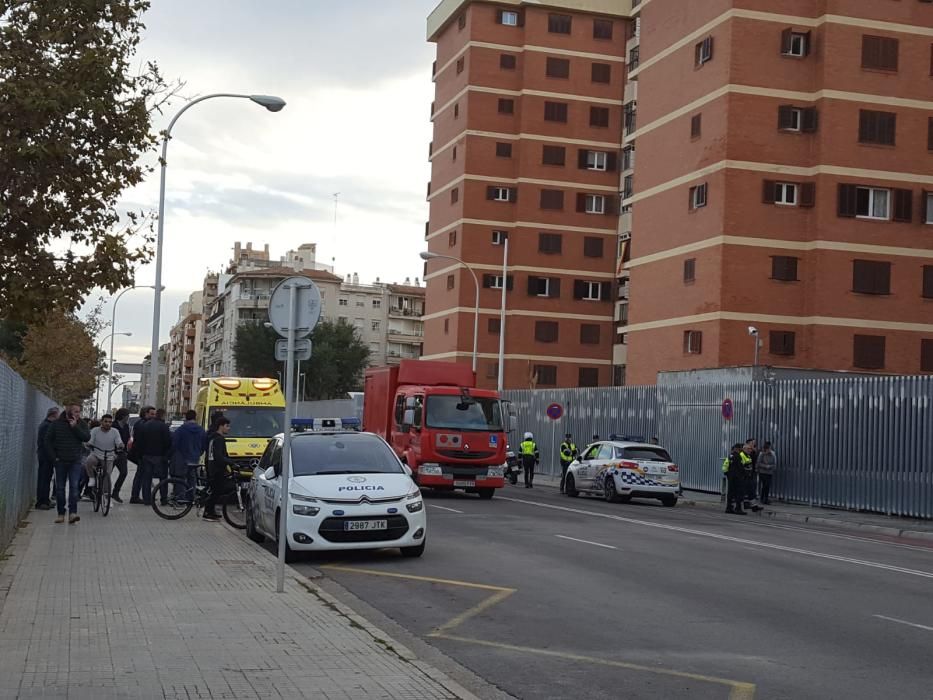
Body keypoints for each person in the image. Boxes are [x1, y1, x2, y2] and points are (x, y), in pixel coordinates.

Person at [44, 405, 91, 524]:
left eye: (79, 412)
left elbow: (86, 438)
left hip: (75, 460)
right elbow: (47, 440)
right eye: (75, 412)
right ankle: (61, 513)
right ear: (68, 412)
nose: (78, 414)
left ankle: (72, 513)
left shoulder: (81, 424)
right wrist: (54, 458)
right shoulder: (56, 424)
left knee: (74, 487)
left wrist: (75, 427)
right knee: (60, 488)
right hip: (60, 461)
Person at [134, 407, 172, 506]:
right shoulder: (164, 426)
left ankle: (147, 499)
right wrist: (166, 455)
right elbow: (168, 442)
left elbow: (140, 441)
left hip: (146, 455)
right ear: (163, 415)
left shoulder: (145, 425)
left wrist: (142, 454)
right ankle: (163, 499)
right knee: (163, 479)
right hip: (160, 456)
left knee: (147, 478)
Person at [203, 417, 238, 521]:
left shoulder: (213, 438)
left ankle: (211, 511)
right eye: (227, 426)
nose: (229, 428)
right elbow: (219, 456)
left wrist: (230, 463)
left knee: (216, 490)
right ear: (221, 426)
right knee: (216, 491)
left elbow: (223, 455)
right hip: (216, 469)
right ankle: (207, 512)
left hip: (212, 467)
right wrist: (231, 463)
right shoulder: (219, 439)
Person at [172, 410, 206, 501]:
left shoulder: (181, 429)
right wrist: (199, 453)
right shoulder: (201, 430)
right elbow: (204, 445)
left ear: (186, 418)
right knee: (192, 478)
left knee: (181, 478)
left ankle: (180, 498)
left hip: (182, 458)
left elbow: (174, 443)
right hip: (194, 458)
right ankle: (191, 497)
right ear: (195, 417)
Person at [83, 414, 124, 491]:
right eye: (105, 421)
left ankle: (106, 496)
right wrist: (89, 444)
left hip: (109, 455)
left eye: (110, 422)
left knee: (107, 476)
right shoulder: (95, 430)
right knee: (89, 461)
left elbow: (118, 441)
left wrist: (120, 445)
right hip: (96, 454)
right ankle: (92, 478)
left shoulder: (115, 431)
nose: (108, 423)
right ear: (101, 422)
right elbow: (91, 440)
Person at [129, 406, 155, 503]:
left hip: (140, 454)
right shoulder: (143, 425)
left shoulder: (139, 423)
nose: (154, 416)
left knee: (140, 475)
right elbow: (142, 441)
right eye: (152, 414)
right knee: (143, 476)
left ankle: (136, 496)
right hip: (143, 454)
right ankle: (140, 497)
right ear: (146, 413)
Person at [35, 407, 59, 510]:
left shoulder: (47, 425)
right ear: (53, 415)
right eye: (58, 415)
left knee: (46, 478)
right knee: (44, 479)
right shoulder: (46, 426)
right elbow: (47, 443)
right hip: (46, 456)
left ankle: (45, 500)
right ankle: (42, 502)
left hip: (46, 456)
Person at [111, 408, 132, 503]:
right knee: (107, 473)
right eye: (127, 416)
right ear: (123, 416)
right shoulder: (113, 425)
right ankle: (102, 492)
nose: (128, 418)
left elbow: (127, 438)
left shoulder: (126, 426)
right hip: (112, 452)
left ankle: (115, 492)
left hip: (122, 453)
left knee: (124, 472)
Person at [722, 443, 747, 515]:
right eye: (740, 448)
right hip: (737, 477)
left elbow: (727, 465)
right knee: (739, 493)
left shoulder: (730, 455)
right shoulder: (738, 456)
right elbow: (740, 467)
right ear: (738, 448)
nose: (741, 450)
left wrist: (727, 474)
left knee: (730, 492)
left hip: (731, 476)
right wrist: (745, 474)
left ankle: (729, 507)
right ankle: (738, 508)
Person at [743, 438, 759, 509]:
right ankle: (747, 504)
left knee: (751, 489)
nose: (754, 445)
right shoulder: (745, 453)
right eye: (752, 443)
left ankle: (752, 505)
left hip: (751, 473)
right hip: (747, 474)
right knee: (748, 489)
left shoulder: (752, 452)